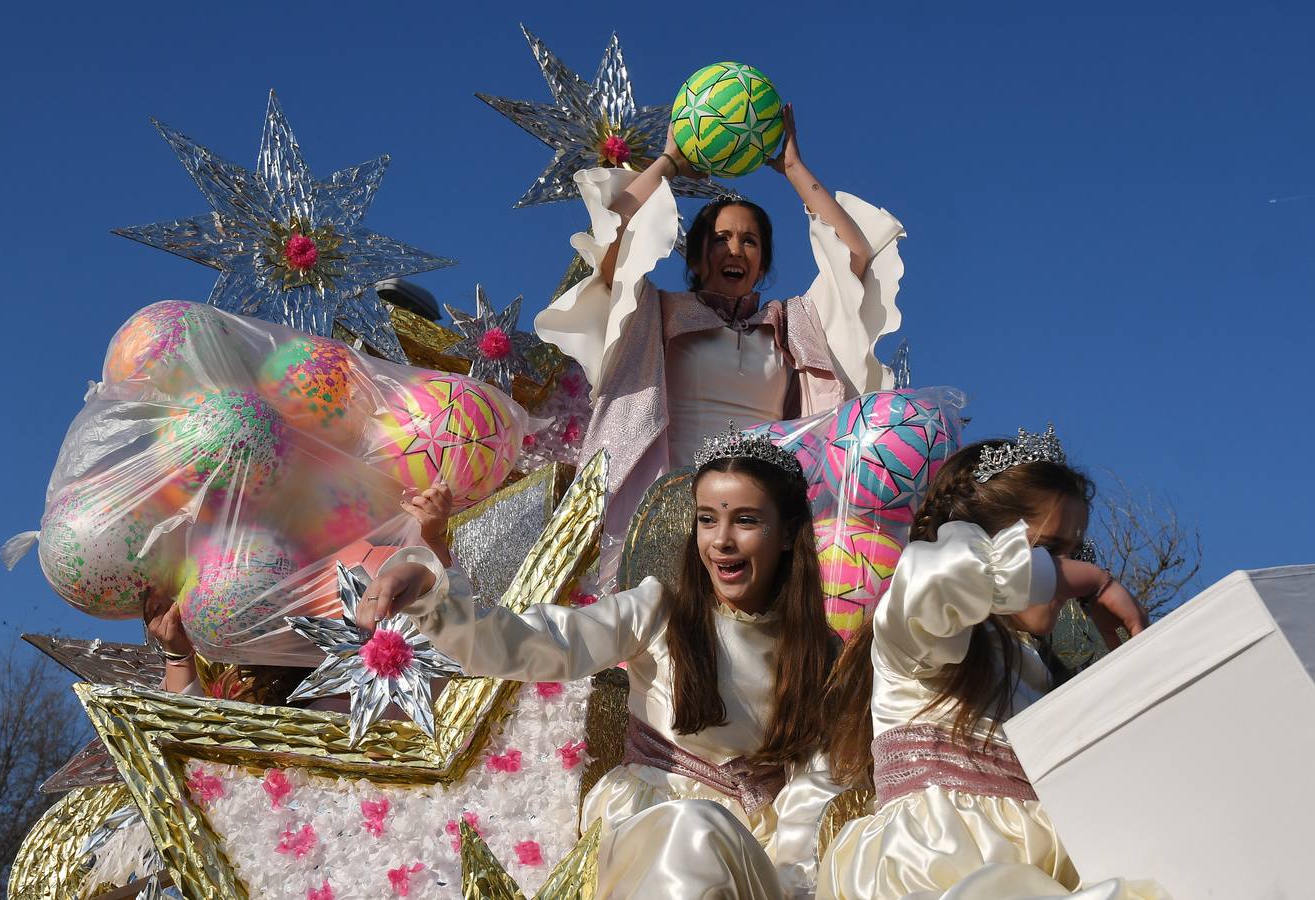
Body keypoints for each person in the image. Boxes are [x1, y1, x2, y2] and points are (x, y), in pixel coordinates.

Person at [360, 428, 842, 898]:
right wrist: (428, 585)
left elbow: (816, 789)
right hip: (650, 832)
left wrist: (794, 882)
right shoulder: (657, 612)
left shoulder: (822, 655)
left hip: (760, 851)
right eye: (707, 519)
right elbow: (529, 643)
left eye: (746, 520)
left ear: (786, 534)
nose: (721, 540)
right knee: (694, 828)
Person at [534, 106, 906, 567]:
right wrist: (668, 161)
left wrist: (792, 167)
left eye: (750, 241)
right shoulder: (657, 312)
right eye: (720, 239)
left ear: (763, 265)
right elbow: (612, 236)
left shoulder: (793, 321)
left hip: (762, 520)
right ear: (694, 259)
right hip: (672, 511)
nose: (736, 249)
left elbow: (855, 251)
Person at [816, 429, 1168, 900]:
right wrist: (1097, 581)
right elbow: (949, 577)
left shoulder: (1039, 670)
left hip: (1046, 865)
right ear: (977, 542)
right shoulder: (921, 636)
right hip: (937, 865)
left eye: (1075, 554)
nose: (1066, 571)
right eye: (1048, 550)